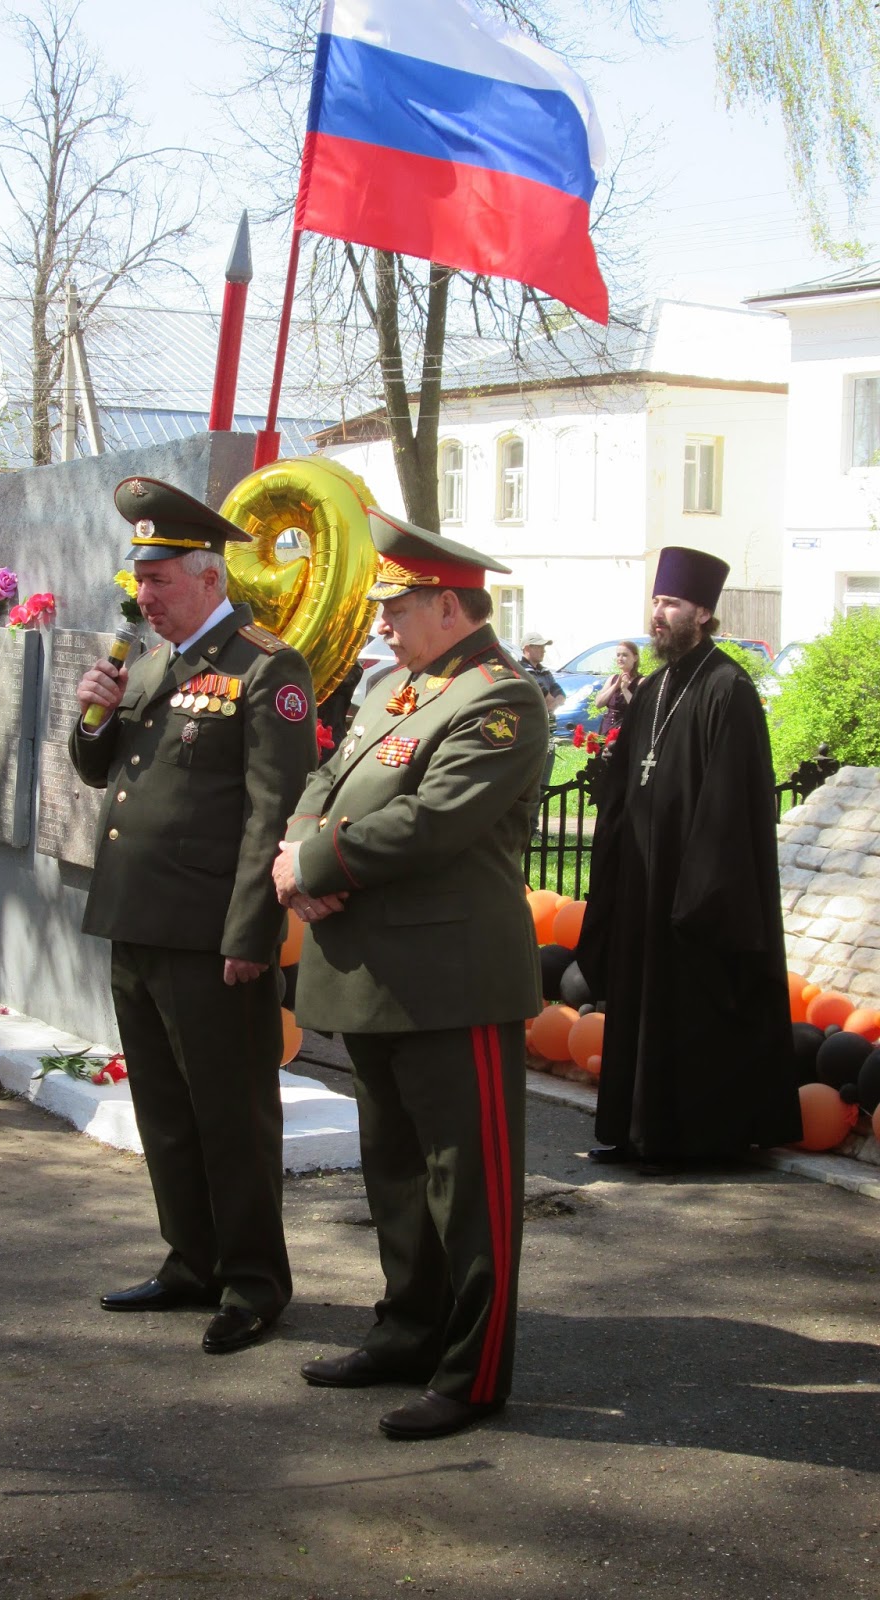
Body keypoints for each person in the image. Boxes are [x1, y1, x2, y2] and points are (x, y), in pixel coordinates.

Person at [273, 511, 548, 1441]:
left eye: (396, 608)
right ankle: (407, 1331)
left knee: (469, 1189)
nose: (382, 624)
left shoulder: (500, 700)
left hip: (450, 980)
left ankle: (474, 1374)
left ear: (448, 606)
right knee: (395, 1173)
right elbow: (327, 779)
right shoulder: (394, 686)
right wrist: (295, 849)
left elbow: (433, 822)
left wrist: (314, 866)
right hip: (373, 972)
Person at [70, 476, 317, 1357]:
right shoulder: (150, 666)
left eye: (159, 578)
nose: (144, 595)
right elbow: (102, 772)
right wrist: (93, 715)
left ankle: (253, 1283)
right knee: (166, 1112)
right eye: (140, 578)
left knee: (230, 1115)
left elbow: (273, 813)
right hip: (136, 920)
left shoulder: (265, 667)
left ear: (209, 576)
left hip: (211, 936)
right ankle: (191, 1260)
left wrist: (251, 933)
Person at [575, 546, 801, 1168]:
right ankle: (634, 1132)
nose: (659, 613)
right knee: (638, 1005)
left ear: (702, 613)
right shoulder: (654, 687)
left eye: (671, 603)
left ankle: (691, 1141)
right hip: (643, 880)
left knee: (687, 1009)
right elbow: (629, 778)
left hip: (693, 889)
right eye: (656, 601)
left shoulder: (729, 689)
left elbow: (731, 803)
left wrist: (700, 891)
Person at [518, 630, 564, 797]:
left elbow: (560, 695)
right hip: (531, 733)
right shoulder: (521, 670)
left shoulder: (544, 671)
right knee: (530, 783)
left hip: (548, 732)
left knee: (544, 783)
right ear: (527, 648)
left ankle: (537, 813)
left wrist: (553, 702)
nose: (543, 650)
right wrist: (551, 701)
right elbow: (544, 697)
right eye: (539, 647)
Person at [593, 640, 642, 736]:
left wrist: (625, 689)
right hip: (607, 730)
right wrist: (615, 686)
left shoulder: (640, 681)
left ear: (635, 658)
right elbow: (598, 704)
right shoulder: (612, 679)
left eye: (625, 655)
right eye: (618, 655)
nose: (620, 658)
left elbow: (638, 709)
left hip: (627, 730)